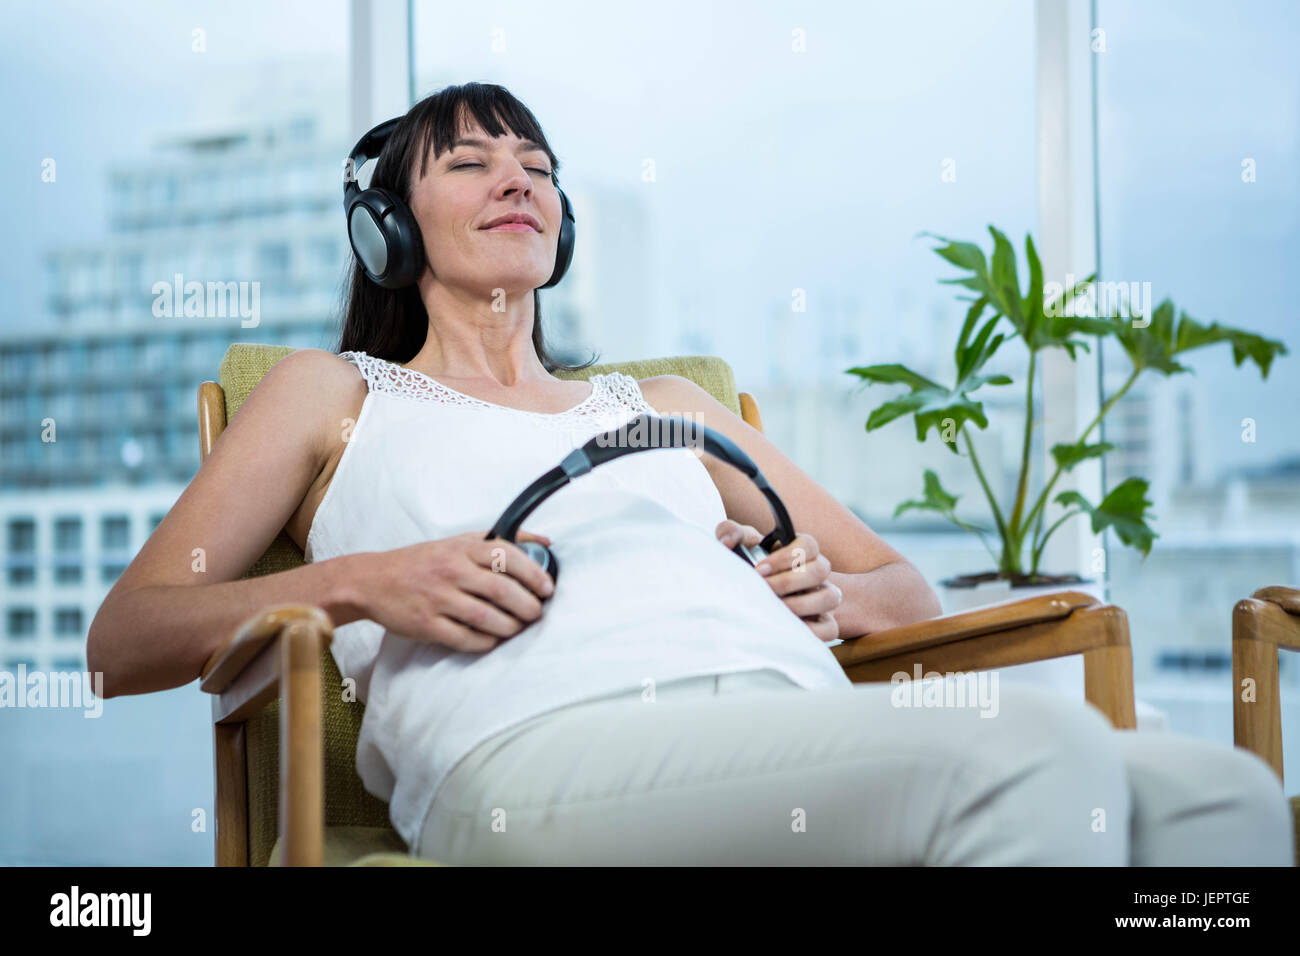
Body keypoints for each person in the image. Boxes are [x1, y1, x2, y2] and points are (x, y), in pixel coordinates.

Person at [88, 82, 1294, 866]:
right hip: (532, 755)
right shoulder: (335, 393)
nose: (520, 179)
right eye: (470, 164)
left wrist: (816, 584)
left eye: (538, 165)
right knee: (1042, 754)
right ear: (387, 231)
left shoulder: (663, 407)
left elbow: (902, 592)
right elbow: (126, 636)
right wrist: (366, 583)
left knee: (1216, 801)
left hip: (785, 729)